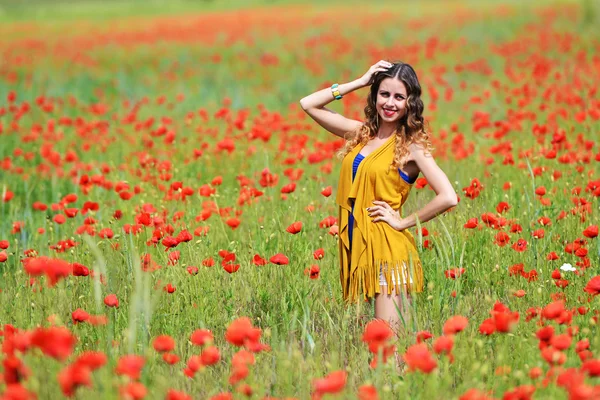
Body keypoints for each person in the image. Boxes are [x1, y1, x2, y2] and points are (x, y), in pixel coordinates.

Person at [299, 60, 458, 364]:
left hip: (389, 250)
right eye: (384, 94)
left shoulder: (411, 147)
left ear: (411, 103)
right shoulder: (362, 134)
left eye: (400, 97)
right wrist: (358, 82)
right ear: (374, 97)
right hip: (365, 246)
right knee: (394, 350)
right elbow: (308, 104)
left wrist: (404, 222)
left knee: (386, 350)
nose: (390, 103)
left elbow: (448, 196)